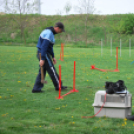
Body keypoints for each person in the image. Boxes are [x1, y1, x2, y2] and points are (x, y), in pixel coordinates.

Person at [32, 22, 67, 93]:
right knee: (52, 70)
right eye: (60, 30)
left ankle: (36, 88)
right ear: (57, 28)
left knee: (42, 71)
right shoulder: (49, 33)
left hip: (43, 53)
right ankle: (58, 86)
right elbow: (44, 46)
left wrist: (53, 56)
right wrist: (42, 58)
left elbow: (50, 47)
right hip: (43, 53)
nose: (60, 32)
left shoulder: (50, 32)